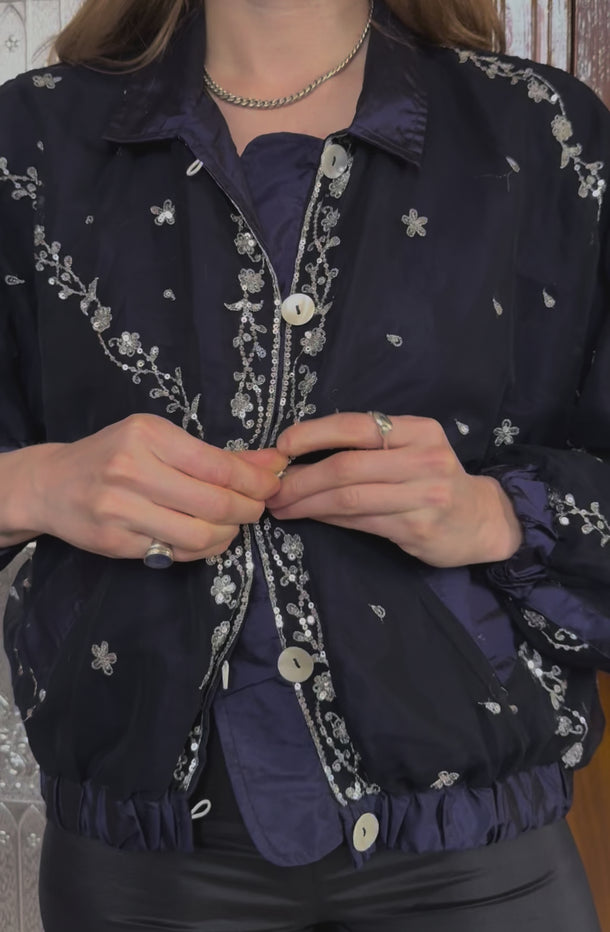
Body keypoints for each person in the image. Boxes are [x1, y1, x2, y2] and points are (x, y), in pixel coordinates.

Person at [1, 0, 609, 928]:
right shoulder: (31, 139)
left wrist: (497, 514)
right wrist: (39, 486)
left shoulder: (541, 132)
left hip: (480, 864)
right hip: (141, 872)